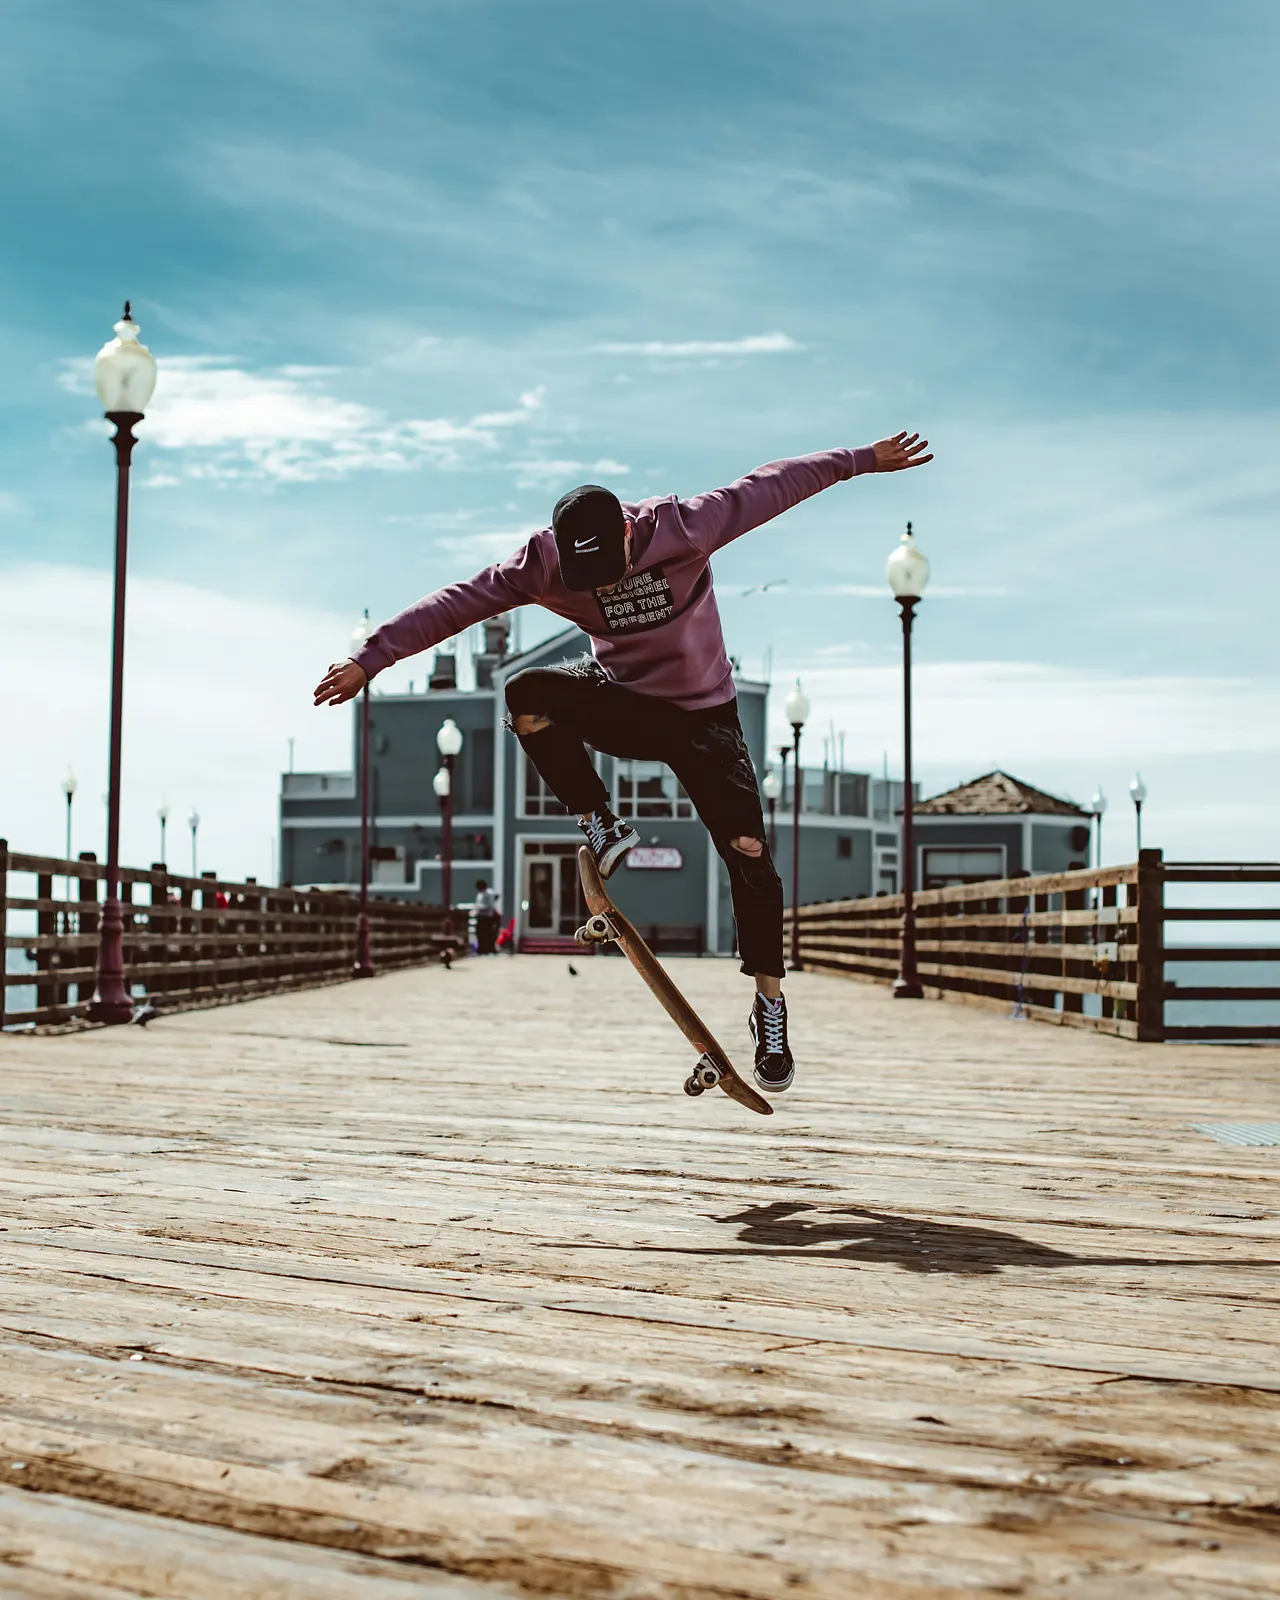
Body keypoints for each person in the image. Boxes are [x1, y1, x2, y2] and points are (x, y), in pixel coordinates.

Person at [315, 433, 932, 1093]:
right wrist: (370, 658)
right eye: (590, 580)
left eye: (612, 568)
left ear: (631, 534)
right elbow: (457, 603)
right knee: (526, 694)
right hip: (624, 705)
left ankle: (769, 1005)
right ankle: (599, 820)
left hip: (706, 719)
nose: (605, 586)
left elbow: (773, 484)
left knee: (749, 853)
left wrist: (861, 460)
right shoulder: (540, 565)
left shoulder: (689, 525)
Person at [473, 878, 501, 955]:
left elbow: (489, 905)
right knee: (480, 933)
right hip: (480, 916)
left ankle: (488, 949)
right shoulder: (480, 894)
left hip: (487, 917)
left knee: (487, 934)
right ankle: (481, 948)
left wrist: (479, 907)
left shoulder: (488, 893)